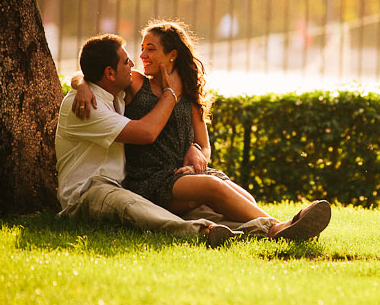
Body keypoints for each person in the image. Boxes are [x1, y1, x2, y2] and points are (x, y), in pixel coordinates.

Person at [72, 20, 331, 240]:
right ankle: (278, 228)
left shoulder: (189, 93)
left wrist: (198, 151)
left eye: (150, 49)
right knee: (212, 187)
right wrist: (80, 83)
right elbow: (95, 72)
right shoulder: (137, 83)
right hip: (149, 180)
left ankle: (270, 230)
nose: (142, 56)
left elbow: (204, 144)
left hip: (182, 175)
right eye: (142, 49)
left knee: (244, 198)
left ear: (172, 54)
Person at [56, 33, 241, 247]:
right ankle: (202, 232)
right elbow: (147, 132)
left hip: (120, 187)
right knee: (130, 203)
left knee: (214, 204)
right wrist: (171, 92)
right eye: (127, 61)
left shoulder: (116, 95)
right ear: (110, 73)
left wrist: (194, 147)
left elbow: (89, 71)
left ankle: (269, 228)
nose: (135, 61)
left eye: (149, 49)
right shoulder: (86, 106)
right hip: (86, 194)